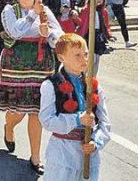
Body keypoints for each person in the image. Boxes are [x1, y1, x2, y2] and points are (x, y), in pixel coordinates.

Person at [0, 0, 63, 175]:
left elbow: (58, 33)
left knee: (36, 111)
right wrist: (33, 14)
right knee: (18, 111)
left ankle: (35, 157)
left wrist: (48, 33)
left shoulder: (45, 11)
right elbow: (15, 32)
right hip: (16, 64)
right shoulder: (9, 10)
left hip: (41, 65)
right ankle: (9, 128)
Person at [39, 33, 111, 181]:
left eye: (85, 54)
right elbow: (46, 120)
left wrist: (96, 142)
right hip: (63, 155)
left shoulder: (94, 86)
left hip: (89, 155)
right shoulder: (50, 86)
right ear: (61, 58)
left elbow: (105, 122)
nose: (84, 59)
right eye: (77, 55)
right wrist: (78, 119)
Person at [77, 0, 114, 76]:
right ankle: (83, 77)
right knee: (90, 58)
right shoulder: (86, 10)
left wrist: (109, 35)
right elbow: (80, 22)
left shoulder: (103, 11)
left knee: (97, 59)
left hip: (98, 36)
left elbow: (106, 25)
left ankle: (93, 79)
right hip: (88, 35)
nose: (99, 0)